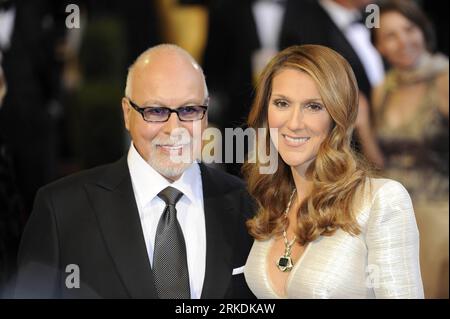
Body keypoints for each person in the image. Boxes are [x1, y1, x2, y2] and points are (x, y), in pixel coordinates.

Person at [14, 44, 255, 299]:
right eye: (156, 111)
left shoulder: (250, 205)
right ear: (127, 113)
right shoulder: (61, 212)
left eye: (189, 110)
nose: (174, 129)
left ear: (205, 114)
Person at [242, 44, 424, 298]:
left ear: (339, 116)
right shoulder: (274, 203)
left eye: (313, 106)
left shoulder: (380, 200)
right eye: (282, 103)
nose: (294, 123)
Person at [371, 0, 449, 298]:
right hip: (391, 218)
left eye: (409, 29)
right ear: (380, 47)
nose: (403, 41)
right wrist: (363, 125)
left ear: (423, 30)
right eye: (391, 35)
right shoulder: (383, 90)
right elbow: (379, 163)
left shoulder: (444, 79)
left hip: (437, 218)